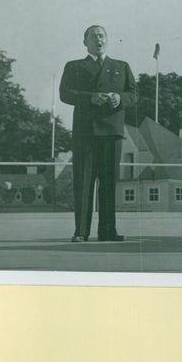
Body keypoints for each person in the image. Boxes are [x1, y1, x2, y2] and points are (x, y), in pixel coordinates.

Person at [59, 25, 138, 242]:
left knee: (109, 182)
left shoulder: (121, 66)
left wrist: (119, 98)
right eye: (93, 37)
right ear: (85, 42)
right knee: (83, 182)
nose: (98, 40)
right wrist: (89, 97)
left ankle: (107, 230)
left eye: (101, 36)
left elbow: (134, 94)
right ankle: (81, 231)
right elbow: (64, 94)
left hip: (112, 132)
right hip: (86, 132)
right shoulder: (74, 66)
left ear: (108, 39)